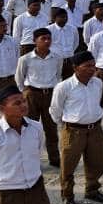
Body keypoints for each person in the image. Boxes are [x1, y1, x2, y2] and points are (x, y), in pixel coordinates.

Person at [49, 51, 103, 204]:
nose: (92, 69)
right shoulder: (64, 87)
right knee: (68, 166)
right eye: (88, 66)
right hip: (73, 131)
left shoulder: (97, 83)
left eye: (93, 65)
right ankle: (67, 196)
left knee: (96, 163)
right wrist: (65, 126)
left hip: (95, 129)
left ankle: (92, 190)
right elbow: (55, 110)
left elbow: (97, 103)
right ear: (76, 67)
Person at [15, 28, 62, 167]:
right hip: (32, 95)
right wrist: (25, 93)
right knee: (29, 128)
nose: (47, 41)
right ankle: (31, 160)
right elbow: (19, 78)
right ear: (35, 41)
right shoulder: (25, 59)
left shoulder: (57, 58)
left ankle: (54, 158)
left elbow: (58, 75)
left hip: (50, 95)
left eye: (49, 38)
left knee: (51, 128)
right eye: (43, 39)